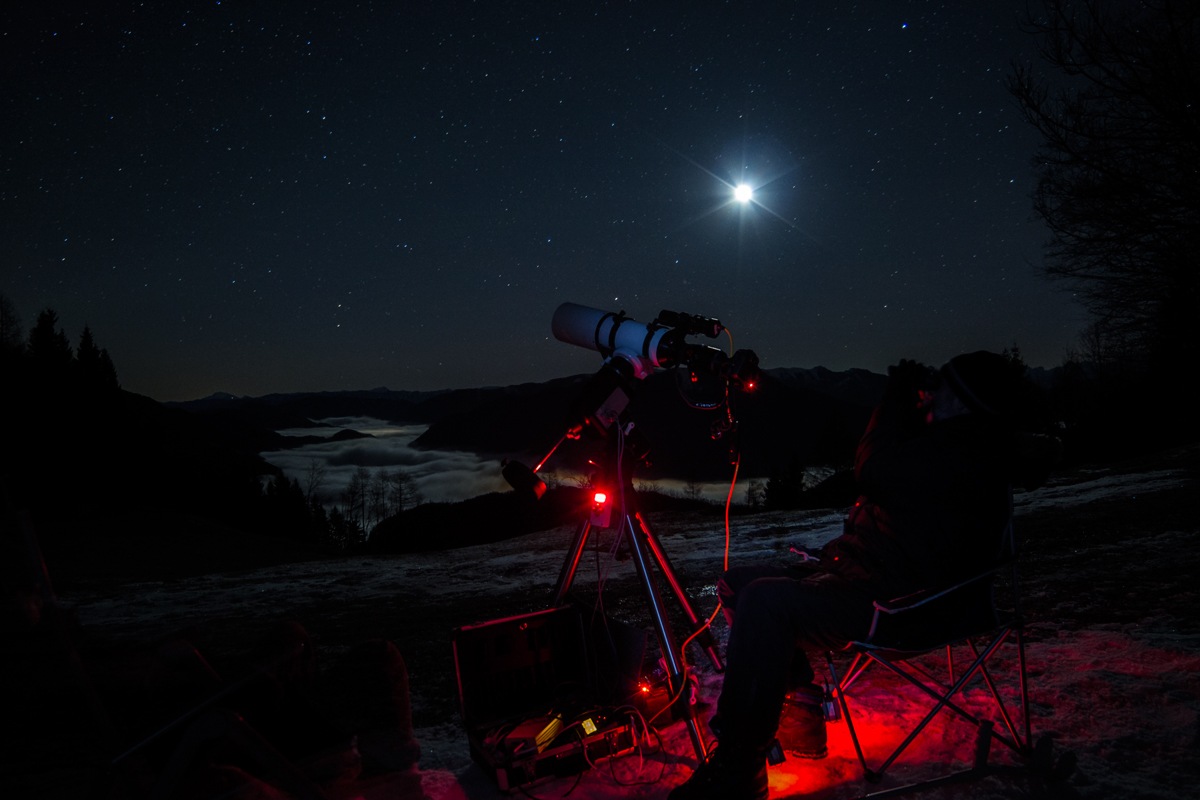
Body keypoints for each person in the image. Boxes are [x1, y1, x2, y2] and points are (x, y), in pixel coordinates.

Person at [669, 351, 1060, 800]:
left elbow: (872, 470)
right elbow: (902, 475)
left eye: (944, 389)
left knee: (764, 602)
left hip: (901, 606)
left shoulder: (962, 451)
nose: (932, 393)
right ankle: (802, 713)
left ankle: (738, 771)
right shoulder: (960, 444)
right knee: (738, 583)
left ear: (968, 404)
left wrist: (893, 404)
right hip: (872, 577)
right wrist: (911, 414)